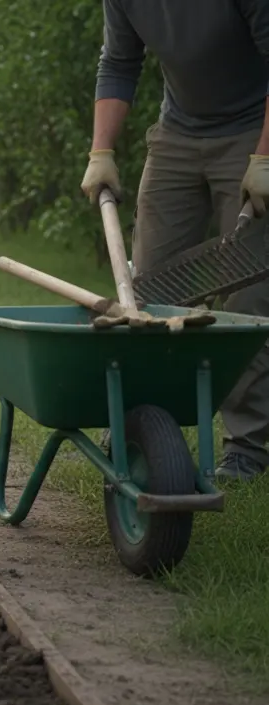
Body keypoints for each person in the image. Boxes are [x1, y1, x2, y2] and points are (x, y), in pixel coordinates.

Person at [81, 0, 269, 481]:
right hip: (177, 132)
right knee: (145, 293)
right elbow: (119, 63)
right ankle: (140, 423)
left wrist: (265, 159)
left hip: (254, 129)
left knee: (249, 298)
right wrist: (100, 151)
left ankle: (246, 446)